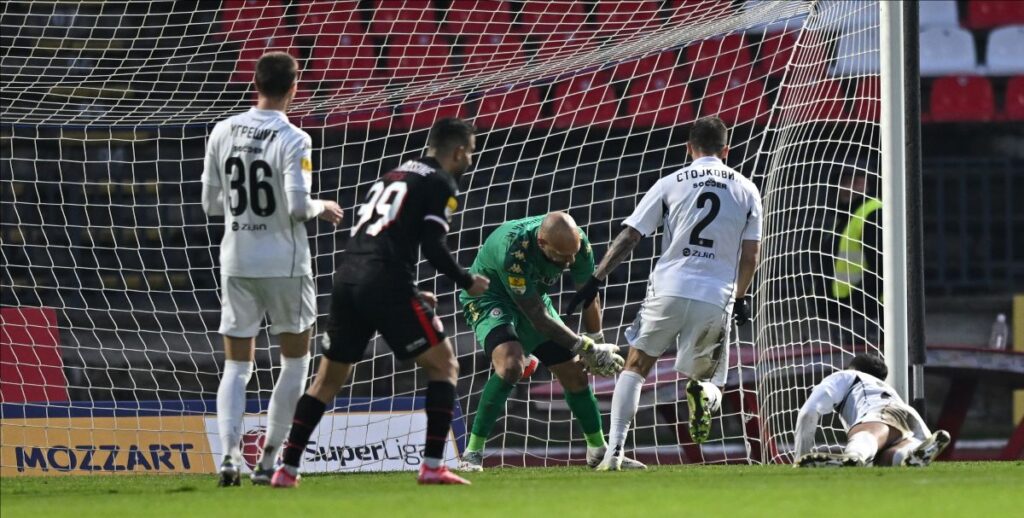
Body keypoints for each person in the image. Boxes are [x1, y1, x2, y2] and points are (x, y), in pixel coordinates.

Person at [271, 117, 490, 487]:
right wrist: (466, 281)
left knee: (326, 381)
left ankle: (287, 468)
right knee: (445, 365)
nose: (470, 160)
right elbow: (433, 245)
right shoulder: (440, 182)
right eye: (469, 152)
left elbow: (384, 239)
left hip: (348, 279)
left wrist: (408, 291)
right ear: (457, 152)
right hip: (385, 282)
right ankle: (433, 466)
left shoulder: (393, 174)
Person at [566, 116, 762, 471]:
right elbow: (751, 256)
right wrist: (741, 297)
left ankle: (614, 452)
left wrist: (596, 278)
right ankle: (702, 395)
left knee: (636, 366)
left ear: (689, 148)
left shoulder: (671, 182)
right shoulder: (747, 190)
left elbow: (631, 235)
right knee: (709, 381)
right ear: (726, 150)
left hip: (668, 289)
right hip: (715, 294)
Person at [200, 51, 344, 487]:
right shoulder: (294, 138)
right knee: (295, 362)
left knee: (236, 366)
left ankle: (228, 458)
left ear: (255, 84)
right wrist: (322, 206)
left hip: (237, 260)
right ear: (294, 88)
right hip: (285, 264)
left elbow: (210, 204)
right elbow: (298, 206)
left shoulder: (222, 130)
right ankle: (268, 461)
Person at [456, 212, 633, 472]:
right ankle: (472, 454)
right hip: (490, 297)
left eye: (573, 254)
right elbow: (537, 318)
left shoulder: (578, 243)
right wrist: (586, 347)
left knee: (574, 372)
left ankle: (598, 450)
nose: (570, 261)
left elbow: (588, 294)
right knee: (511, 365)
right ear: (542, 243)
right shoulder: (514, 253)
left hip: (532, 297)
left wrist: (597, 342)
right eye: (562, 256)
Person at [794, 354, 950, 467]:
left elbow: (808, 412)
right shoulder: (886, 387)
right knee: (884, 458)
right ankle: (909, 454)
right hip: (911, 417)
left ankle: (853, 456)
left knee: (867, 435)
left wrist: (800, 458)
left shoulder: (846, 376)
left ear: (852, 368)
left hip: (881, 411)